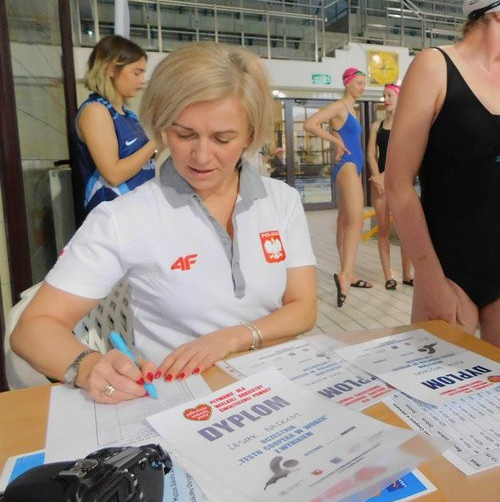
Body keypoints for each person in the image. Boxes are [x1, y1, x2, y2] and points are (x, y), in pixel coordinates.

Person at [11, 42, 317, 403]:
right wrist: (89, 366)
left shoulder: (281, 200)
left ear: (250, 134)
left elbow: (303, 308)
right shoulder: (123, 218)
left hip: (278, 387)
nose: (201, 156)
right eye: (184, 134)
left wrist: (233, 337)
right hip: (182, 403)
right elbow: (32, 329)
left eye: (223, 138)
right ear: (160, 127)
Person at [385, 0, 500, 360]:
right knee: (430, 402)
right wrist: (430, 277)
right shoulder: (435, 66)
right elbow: (398, 183)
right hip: (448, 265)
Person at [304, 67, 372, 307]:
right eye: (359, 83)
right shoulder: (340, 106)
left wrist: (338, 139)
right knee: (357, 220)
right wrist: (335, 141)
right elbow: (310, 124)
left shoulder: (351, 108)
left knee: (344, 221)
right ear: (348, 83)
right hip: (347, 166)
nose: (362, 87)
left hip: (353, 165)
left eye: (364, 84)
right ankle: (344, 274)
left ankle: (348, 273)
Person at [75, 35, 156, 214]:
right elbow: (113, 174)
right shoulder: (95, 112)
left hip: (136, 211)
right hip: (112, 217)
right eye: (137, 73)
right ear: (111, 69)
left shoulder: (129, 115)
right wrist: (156, 142)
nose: (143, 81)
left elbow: (140, 163)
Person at [366, 83, 414, 290]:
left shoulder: (406, 124)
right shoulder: (377, 126)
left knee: (405, 231)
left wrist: (385, 176)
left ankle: (407, 274)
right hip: (381, 186)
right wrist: (378, 177)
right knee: (383, 229)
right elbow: (370, 155)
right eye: (383, 96)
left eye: (389, 95)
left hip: (400, 182)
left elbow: (405, 156)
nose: (385, 99)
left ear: (399, 98)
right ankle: (388, 276)